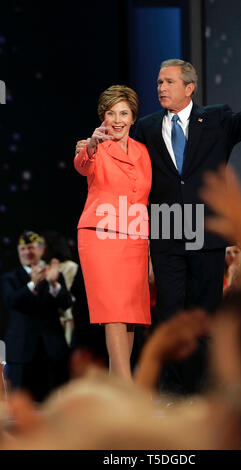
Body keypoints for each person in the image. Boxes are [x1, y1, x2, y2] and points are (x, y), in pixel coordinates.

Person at [76, 60, 241, 395]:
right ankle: (174, 393)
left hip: (204, 231)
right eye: (159, 82)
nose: (161, 88)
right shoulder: (146, 126)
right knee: (171, 315)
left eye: (169, 82)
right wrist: (86, 147)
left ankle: (204, 391)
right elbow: (105, 148)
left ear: (189, 88)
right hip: (165, 231)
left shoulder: (217, 118)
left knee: (205, 313)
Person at [74, 85, 152, 381]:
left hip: (134, 239)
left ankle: (117, 389)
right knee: (115, 313)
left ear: (133, 117)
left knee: (130, 316)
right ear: (102, 118)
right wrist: (90, 146)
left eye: (123, 113)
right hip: (101, 237)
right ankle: (127, 386)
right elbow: (81, 165)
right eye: (111, 113)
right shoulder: (93, 148)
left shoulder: (143, 152)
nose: (117, 120)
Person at [0, 231, 72, 402]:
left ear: (42, 250)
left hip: (51, 351)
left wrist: (54, 284)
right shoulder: (10, 278)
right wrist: (32, 283)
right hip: (21, 353)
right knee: (21, 407)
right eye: (23, 248)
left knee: (54, 406)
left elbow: (67, 302)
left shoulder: (54, 275)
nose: (27, 252)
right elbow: (11, 301)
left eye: (31, 247)